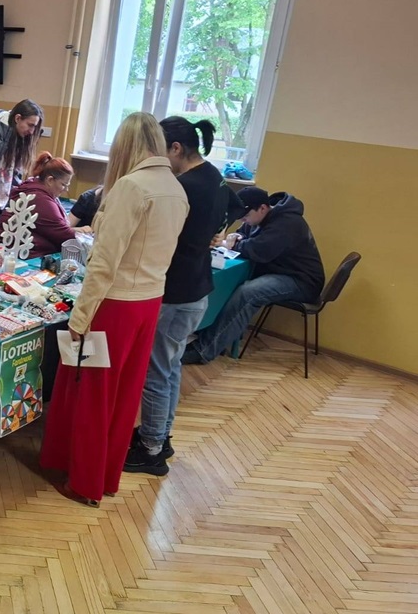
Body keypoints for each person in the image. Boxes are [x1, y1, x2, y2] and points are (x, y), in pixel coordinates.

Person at [40, 112, 188, 506]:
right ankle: (103, 475)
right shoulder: (175, 188)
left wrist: (80, 317)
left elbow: (104, 264)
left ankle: (85, 482)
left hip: (116, 306)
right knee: (124, 395)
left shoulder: (131, 187)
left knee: (94, 392)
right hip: (148, 302)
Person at [122, 117, 243, 477]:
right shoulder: (214, 175)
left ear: (175, 149)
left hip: (176, 291)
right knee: (170, 366)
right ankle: (160, 434)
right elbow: (237, 208)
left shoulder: (183, 186)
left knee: (156, 372)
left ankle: (151, 448)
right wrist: (216, 232)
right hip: (197, 288)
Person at [183, 186, 325, 364]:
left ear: (263, 208)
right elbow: (244, 236)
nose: (243, 220)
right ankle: (210, 333)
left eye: (245, 217)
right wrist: (236, 237)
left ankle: (204, 350)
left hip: (302, 281)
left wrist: (233, 244)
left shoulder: (288, 222)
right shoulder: (262, 217)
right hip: (282, 273)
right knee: (231, 282)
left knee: (248, 293)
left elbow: (260, 250)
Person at [0, 152, 91, 259]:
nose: (66, 190)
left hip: (12, 252)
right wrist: (81, 233)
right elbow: (65, 236)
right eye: (63, 185)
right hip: (7, 256)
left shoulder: (34, 188)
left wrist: (77, 231)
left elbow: (58, 229)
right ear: (50, 180)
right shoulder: (41, 200)